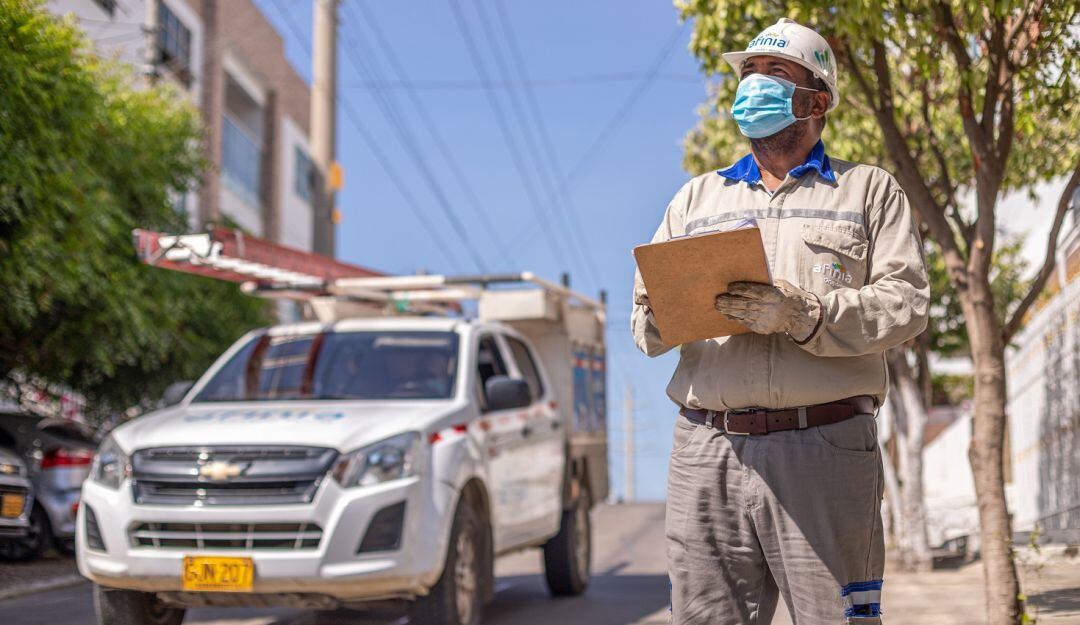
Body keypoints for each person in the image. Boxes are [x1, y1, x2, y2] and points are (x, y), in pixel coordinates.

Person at [631, 18, 929, 625]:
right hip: (707, 449)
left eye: (774, 74)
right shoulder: (696, 200)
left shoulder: (869, 192)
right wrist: (668, 310)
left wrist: (805, 315)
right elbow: (645, 320)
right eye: (749, 75)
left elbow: (906, 304)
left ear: (816, 101)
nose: (753, 86)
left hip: (825, 444)